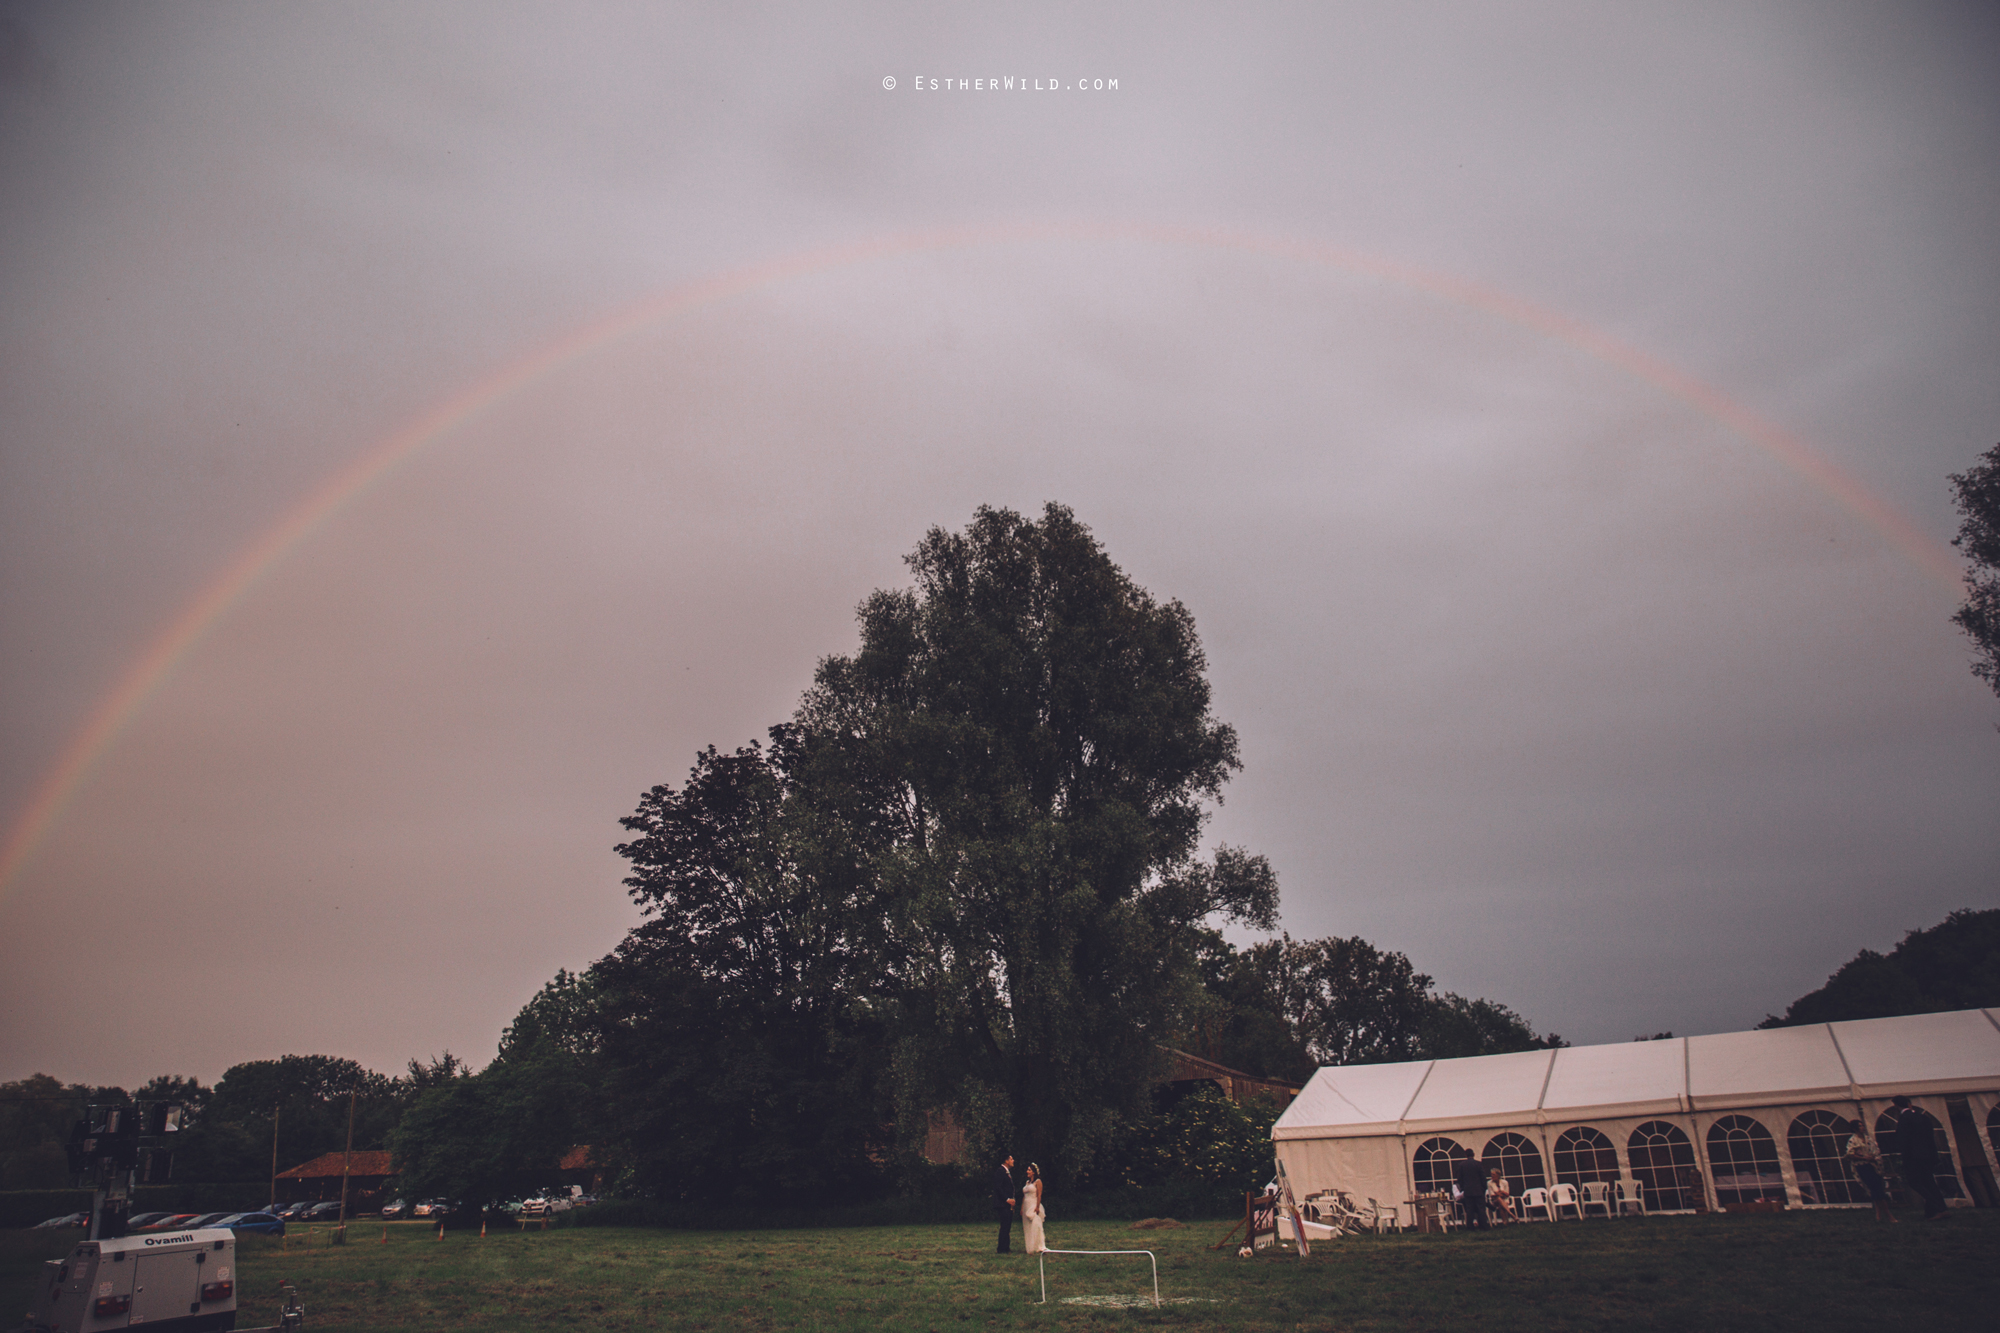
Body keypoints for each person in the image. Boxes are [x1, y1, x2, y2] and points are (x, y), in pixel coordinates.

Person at [1891, 1096, 1949, 1221]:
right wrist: (1934, 1155)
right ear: (1909, 1104)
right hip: (1927, 1156)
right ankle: (1934, 1211)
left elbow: (1903, 1140)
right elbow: (1930, 1138)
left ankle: (1938, 1208)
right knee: (1929, 1182)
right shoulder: (1924, 1117)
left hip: (1913, 1157)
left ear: (1896, 1106)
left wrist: (1901, 1155)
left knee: (1915, 1182)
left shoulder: (1904, 1119)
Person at [1844, 1124, 1896, 1223]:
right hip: (1863, 1167)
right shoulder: (1853, 1141)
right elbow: (1849, 1155)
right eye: (1860, 1126)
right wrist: (1863, 1158)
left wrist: (1874, 1158)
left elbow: (1876, 1150)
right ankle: (1889, 1215)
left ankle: (1878, 1214)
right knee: (1875, 1190)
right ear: (1855, 1129)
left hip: (1873, 1166)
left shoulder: (1868, 1139)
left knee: (1878, 1189)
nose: (1862, 1127)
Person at [1453, 1154, 1490, 1230]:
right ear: (1473, 1154)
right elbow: (1483, 1177)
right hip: (1478, 1190)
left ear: (1466, 1155)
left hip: (1468, 1190)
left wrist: (1463, 1188)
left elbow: (1459, 1178)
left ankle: (1470, 1226)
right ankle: (1483, 1226)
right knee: (1481, 1209)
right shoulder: (1478, 1164)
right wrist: (1483, 1188)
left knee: (1469, 1210)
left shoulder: (1462, 1165)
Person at [993, 1154, 1018, 1252]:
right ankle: (1002, 1248)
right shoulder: (1000, 1171)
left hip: (1007, 1204)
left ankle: (1005, 1247)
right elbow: (998, 1188)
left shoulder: (1006, 1172)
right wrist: (1007, 1199)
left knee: (1007, 1226)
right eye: (1011, 1159)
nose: (1013, 1160)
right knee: (1004, 1226)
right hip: (1002, 1204)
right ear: (1006, 1161)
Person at [1022, 1162, 1047, 1255]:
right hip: (1026, 1206)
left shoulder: (1038, 1181)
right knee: (1027, 1226)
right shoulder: (1027, 1183)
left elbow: (1039, 1195)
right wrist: (1021, 1208)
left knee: (1036, 1225)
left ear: (1033, 1172)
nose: (1027, 1171)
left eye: (1029, 1170)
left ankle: (1040, 1246)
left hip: (1034, 1205)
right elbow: (1024, 1196)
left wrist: (1037, 1207)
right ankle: (1030, 1246)